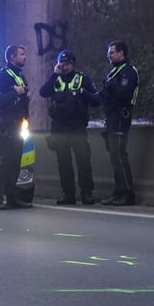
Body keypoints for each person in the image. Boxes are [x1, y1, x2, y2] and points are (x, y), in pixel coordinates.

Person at [38, 49, 101, 205]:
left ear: (72, 64)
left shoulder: (82, 79)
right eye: (62, 64)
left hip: (77, 127)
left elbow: (96, 100)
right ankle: (68, 194)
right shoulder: (55, 79)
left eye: (67, 64)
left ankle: (87, 194)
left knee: (83, 162)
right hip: (59, 128)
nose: (64, 67)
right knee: (64, 163)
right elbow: (43, 92)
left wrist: (84, 93)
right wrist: (54, 74)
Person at [0, 44, 33, 209]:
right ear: (12, 57)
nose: (25, 57)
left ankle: (12, 197)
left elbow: (21, 98)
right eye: (22, 54)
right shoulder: (3, 76)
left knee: (15, 161)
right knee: (3, 161)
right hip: (6, 123)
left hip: (19, 123)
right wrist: (15, 92)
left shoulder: (19, 75)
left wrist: (26, 96)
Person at [100, 40, 140, 206]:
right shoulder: (115, 72)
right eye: (108, 52)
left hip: (121, 117)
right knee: (114, 155)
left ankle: (127, 193)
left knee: (119, 154)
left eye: (112, 52)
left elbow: (123, 94)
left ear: (121, 53)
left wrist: (110, 87)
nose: (109, 55)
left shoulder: (128, 72)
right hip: (112, 117)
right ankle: (118, 191)